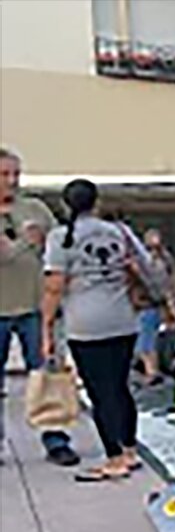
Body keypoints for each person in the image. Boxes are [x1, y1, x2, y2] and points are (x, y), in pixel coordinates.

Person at [42, 179, 155, 481]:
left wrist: (47, 329)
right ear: (97, 202)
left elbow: (54, 287)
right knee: (120, 388)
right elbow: (145, 267)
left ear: (66, 206)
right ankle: (129, 450)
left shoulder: (60, 237)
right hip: (122, 319)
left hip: (84, 324)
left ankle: (114, 457)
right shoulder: (120, 231)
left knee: (99, 393)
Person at [0, 148, 79, 467]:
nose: (12, 181)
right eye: (4, 175)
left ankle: (56, 440)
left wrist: (46, 240)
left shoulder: (34, 208)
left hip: (36, 308)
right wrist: (22, 243)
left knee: (47, 374)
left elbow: (63, 245)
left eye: (15, 174)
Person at [136, 228, 175, 385]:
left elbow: (166, 285)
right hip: (151, 304)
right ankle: (152, 370)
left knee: (147, 341)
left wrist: (172, 305)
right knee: (147, 341)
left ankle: (152, 371)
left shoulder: (156, 261)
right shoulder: (161, 260)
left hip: (150, 305)